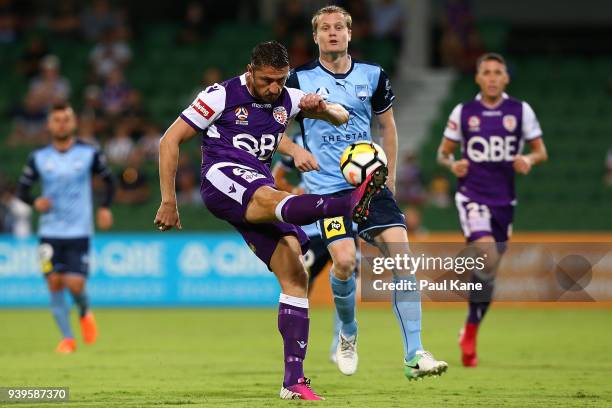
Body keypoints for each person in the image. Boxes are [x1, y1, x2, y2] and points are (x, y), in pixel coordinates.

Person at [153, 41, 387, 400]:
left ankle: (293, 382)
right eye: (267, 81)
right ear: (251, 71)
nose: (274, 88)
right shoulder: (219, 96)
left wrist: (322, 107)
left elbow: (341, 117)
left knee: (295, 273)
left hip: (258, 184)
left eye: (280, 80)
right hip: (222, 177)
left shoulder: (289, 99)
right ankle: (348, 204)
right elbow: (170, 140)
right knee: (274, 198)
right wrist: (169, 200)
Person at [285, 5, 448, 380]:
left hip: (369, 186)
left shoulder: (372, 76)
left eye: (339, 27)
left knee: (403, 260)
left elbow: (388, 127)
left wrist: (387, 178)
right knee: (343, 262)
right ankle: (348, 332)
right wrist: (296, 151)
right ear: (315, 37)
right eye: (324, 28)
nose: (332, 33)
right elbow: (277, 128)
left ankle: (415, 354)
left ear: (349, 33)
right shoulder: (299, 79)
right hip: (326, 189)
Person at [436, 52, 548, 367]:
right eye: (486, 72)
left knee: (488, 272)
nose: (493, 77)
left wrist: (528, 159)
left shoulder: (520, 111)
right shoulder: (464, 111)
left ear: (506, 78)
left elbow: (541, 151)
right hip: (472, 195)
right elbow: (443, 154)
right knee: (486, 252)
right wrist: (452, 163)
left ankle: (470, 329)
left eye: (498, 72)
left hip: (505, 201)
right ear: (478, 78)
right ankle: (470, 330)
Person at [16, 103, 116, 353]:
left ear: (73, 123)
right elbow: (22, 190)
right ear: (49, 125)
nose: (61, 123)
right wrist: (34, 201)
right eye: (56, 120)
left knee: (75, 285)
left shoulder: (89, 153)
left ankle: (84, 310)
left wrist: (104, 207)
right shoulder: (39, 157)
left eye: (66, 119)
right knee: (54, 283)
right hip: (49, 231)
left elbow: (109, 180)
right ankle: (68, 339)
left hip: (79, 230)